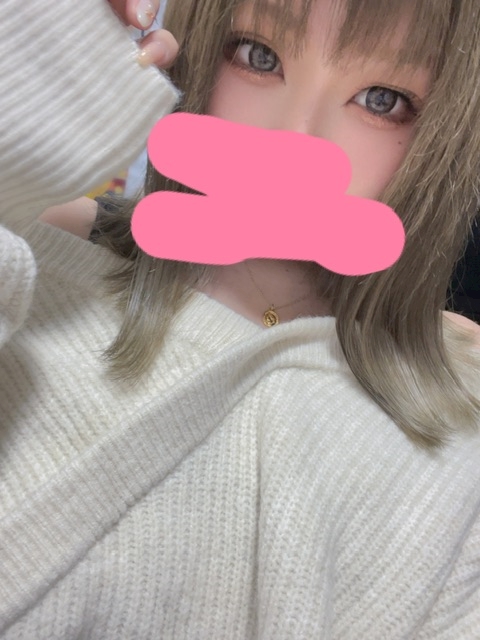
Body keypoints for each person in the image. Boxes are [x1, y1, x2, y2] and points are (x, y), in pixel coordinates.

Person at [1, 0, 480, 637]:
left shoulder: (449, 459)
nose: (295, 141)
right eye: (260, 57)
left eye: (381, 100)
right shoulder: (42, 258)